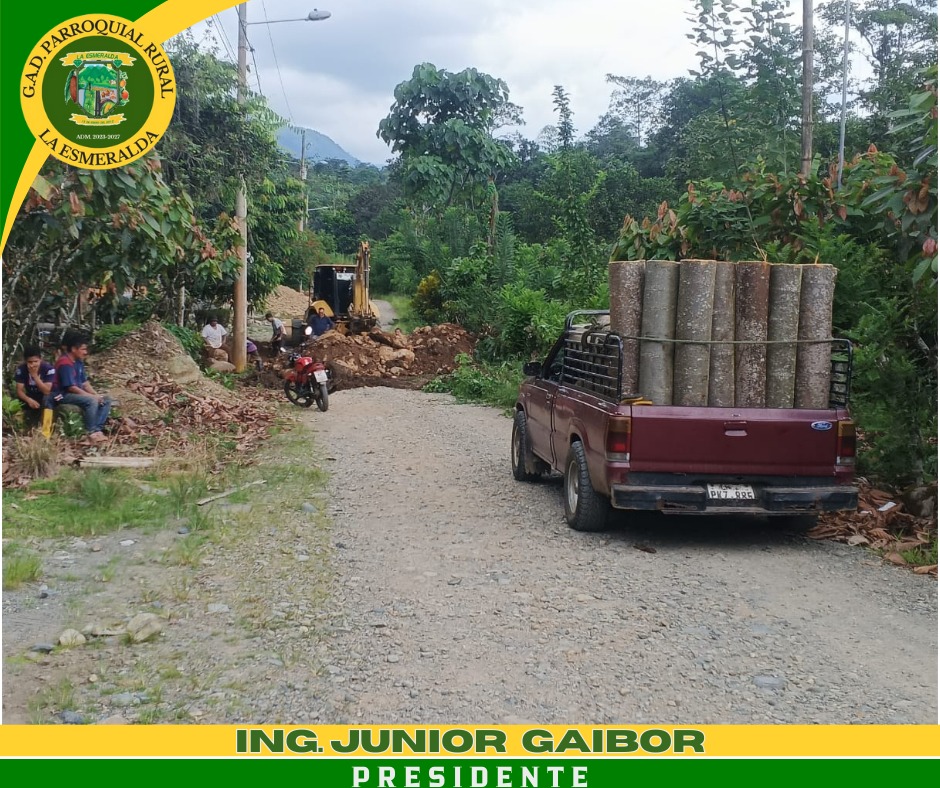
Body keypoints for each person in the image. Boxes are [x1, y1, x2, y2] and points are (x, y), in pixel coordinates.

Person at [53, 334, 112, 443]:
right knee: (91, 401)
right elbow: (71, 388)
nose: (85, 352)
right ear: (73, 349)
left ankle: (97, 429)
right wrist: (92, 397)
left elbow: (84, 383)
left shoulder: (78, 362)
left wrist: (96, 395)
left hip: (75, 393)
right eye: (83, 349)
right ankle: (91, 431)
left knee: (106, 399)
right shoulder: (65, 363)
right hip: (61, 395)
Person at [13, 345, 56, 431]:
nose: (33, 365)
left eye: (35, 361)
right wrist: (28, 400)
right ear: (25, 361)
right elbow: (19, 390)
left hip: (49, 395)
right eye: (30, 362)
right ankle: (19, 428)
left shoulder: (49, 369)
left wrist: (35, 376)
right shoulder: (21, 369)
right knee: (16, 403)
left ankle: (46, 430)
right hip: (31, 395)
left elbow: (46, 391)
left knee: (47, 400)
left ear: (40, 359)